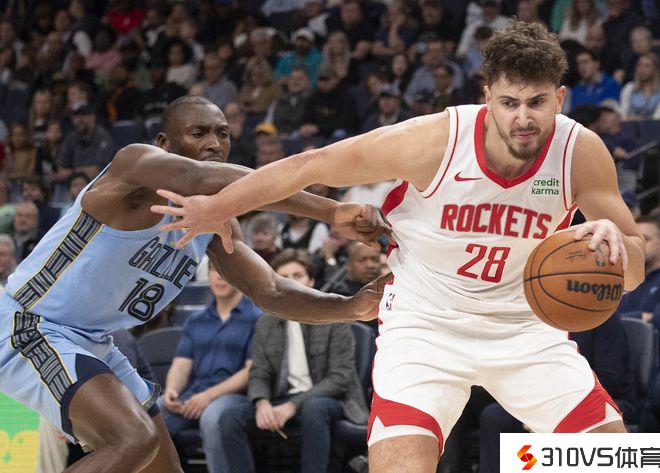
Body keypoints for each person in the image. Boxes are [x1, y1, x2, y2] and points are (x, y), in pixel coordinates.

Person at [155, 22, 646, 472]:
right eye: (508, 102)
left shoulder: (579, 151)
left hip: (525, 329)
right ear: (487, 97)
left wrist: (617, 252)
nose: (523, 118)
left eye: (536, 102)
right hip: (424, 326)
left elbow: (635, 270)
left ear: (559, 98)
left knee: (623, 463)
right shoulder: (434, 141)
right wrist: (215, 207)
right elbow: (310, 165)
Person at [0, 95, 388, 473]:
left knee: (159, 463)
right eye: (199, 133)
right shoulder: (132, 165)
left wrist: (351, 306)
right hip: (30, 325)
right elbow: (198, 177)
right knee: (133, 440)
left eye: (223, 133)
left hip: (93, 341)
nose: (215, 143)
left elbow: (270, 290)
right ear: (164, 143)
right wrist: (332, 211)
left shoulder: (214, 221)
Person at [217, 249, 368, 473]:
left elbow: (340, 378)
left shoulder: (335, 318)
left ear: (311, 281)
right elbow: (259, 372)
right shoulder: (265, 323)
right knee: (229, 416)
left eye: (298, 275)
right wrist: (261, 402)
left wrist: (293, 405)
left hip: (330, 400)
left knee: (314, 408)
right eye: (284, 278)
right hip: (280, 398)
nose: (292, 282)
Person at [160, 266, 263, 472]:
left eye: (225, 271)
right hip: (196, 395)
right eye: (215, 271)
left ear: (239, 275)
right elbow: (181, 364)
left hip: (239, 398)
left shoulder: (258, 318)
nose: (219, 277)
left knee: (214, 416)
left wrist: (208, 396)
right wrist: (172, 390)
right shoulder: (196, 320)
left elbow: (251, 371)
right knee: (154, 413)